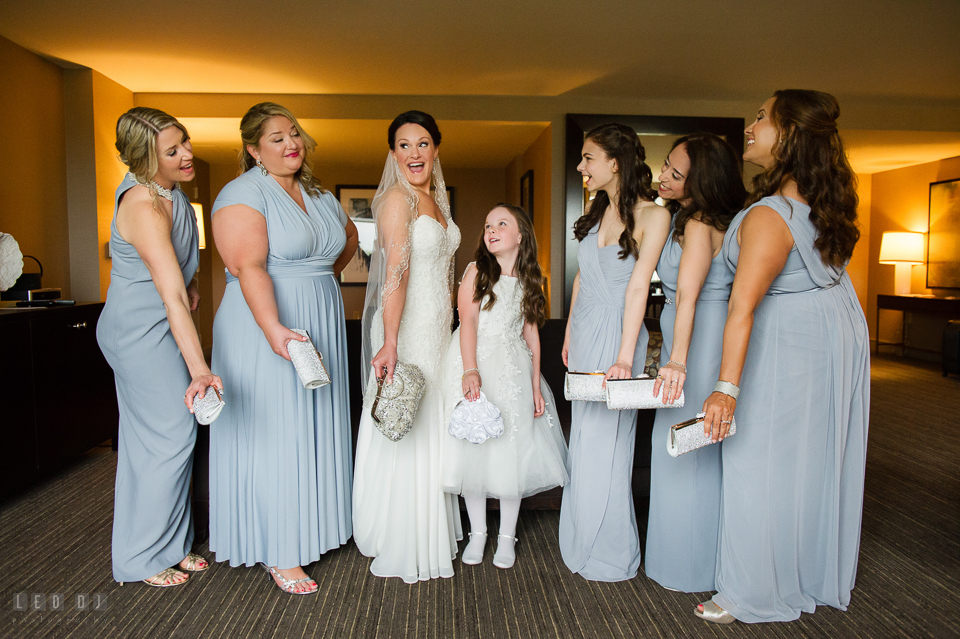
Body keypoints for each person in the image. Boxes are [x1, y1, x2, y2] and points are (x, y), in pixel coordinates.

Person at [694, 90, 870, 624]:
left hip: (789, 345)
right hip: (829, 335)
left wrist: (726, 389)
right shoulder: (818, 207)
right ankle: (803, 570)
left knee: (758, 460)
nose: (750, 125)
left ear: (789, 135)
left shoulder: (771, 214)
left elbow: (742, 307)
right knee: (807, 459)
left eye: (761, 117)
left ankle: (752, 591)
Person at [209, 102, 358, 595]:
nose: (291, 143)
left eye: (294, 133)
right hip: (264, 323)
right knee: (277, 431)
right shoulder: (241, 193)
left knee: (314, 421)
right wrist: (274, 326)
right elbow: (248, 266)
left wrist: (317, 283)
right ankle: (279, 548)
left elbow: (346, 240)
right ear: (253, 149)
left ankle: (316, 526)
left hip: (318, 314)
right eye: (276, 138)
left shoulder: (315, 192)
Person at [97, 107, 222, 587]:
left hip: (159, 323)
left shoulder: (171, 193)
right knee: (170, 436)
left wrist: (190, 282)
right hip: (137, 332)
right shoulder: (143, 206)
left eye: (184, 142)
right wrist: (199, 369)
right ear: (144, 160)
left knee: (158, 439)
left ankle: (168, 544)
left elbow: (176, 280)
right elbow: (167, 295)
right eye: (172, 152)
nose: (187, 154)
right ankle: (141, 558)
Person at [353, 111, 463, 583]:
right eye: (404, 145)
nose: (414, 153)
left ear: (436, 148)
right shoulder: (398, 199)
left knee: (430, 420)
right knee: (407, 420)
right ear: (392, 153)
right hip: (406, 329)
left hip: (436, 329)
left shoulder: (434, 198)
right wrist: (392, 340)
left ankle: (429, 526)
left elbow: (442, 271)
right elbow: (395, 275)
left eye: (423, 143)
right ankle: (402, 536)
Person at [559, 123, 671, 581]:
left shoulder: (654, 215)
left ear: (615, 162)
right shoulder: (596, 210)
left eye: (588, 158)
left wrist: (626, 356)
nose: (582, 166)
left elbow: (640, 285)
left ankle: (608, 549)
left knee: (611, 440)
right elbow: (582, 278)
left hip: (620, 332)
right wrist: (567, 331)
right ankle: (581, 533)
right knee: (584, 437)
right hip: (585, 329)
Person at [644, 133, 747, 592]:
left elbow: (687, 295)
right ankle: (693, 559)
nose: (663, 175)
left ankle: (687, 566)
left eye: (676, 173)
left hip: (698, 343)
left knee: (687, 447)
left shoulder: (700, 225)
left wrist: (679, 362)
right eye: (665, 165)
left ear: (701, 183)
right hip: (696, 336)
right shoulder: (687, 217)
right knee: (693, 447)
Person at [442, 204, 569, 570]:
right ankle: (478, 532)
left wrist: (534, 384)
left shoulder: (531, 279)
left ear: (520, 235)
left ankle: (507, 535)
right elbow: (466, 322)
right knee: (475, 451)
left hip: (513, 369)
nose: (492, 229)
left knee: (513, 450)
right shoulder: (477, 271)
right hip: (476, 361)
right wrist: (470, 369)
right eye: (488, 224)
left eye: (502, 223)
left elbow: (530, 333)